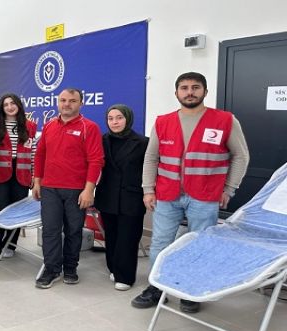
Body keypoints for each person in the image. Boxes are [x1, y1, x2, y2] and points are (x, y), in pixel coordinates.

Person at [131, 72, 250, 313]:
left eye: (196, 87)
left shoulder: (225, 120)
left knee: (199, 244)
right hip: (167, 194)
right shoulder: (163, 121)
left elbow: (241, 156)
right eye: (184, 88)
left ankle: (190, 289)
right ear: (176, 93)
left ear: (205, 92)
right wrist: (148, 189)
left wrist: (230, 188)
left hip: (205, 195)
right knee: (160, 244)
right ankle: (157, 286)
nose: (190, 92)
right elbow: (151, 158)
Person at [32, 88, 105, 289]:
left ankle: (71, 268)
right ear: (57, 102)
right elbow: (40, 155)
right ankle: (52, 269)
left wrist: (89, 190)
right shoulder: (49, 126)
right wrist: (37, 181)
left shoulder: (89, 127)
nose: (66, 104)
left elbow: (96, 160)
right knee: (50, 230)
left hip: (76, 190)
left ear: (81, 104)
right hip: (50, 188)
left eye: (72, 101)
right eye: (63, 100)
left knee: (74, 231)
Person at [94, 104, 148, 291]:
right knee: (112, 236)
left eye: (119, 118)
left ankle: (125, 276)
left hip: (131, 197)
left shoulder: (143, 142)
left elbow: (149, 171)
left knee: (128, 237)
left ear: (128, 118)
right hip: (107, 195)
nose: (114, 122)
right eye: (110, 118)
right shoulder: (102, 140)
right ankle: (114, 268)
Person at [0, 93, 36, 258]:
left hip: (21, 173)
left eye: (12, 103)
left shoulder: (30, 126)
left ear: (19, 105)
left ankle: (11, 245)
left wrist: (34, 174)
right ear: (2, 108)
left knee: (17, 210)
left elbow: (33, 151)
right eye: (6, 104)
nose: (9, 107)